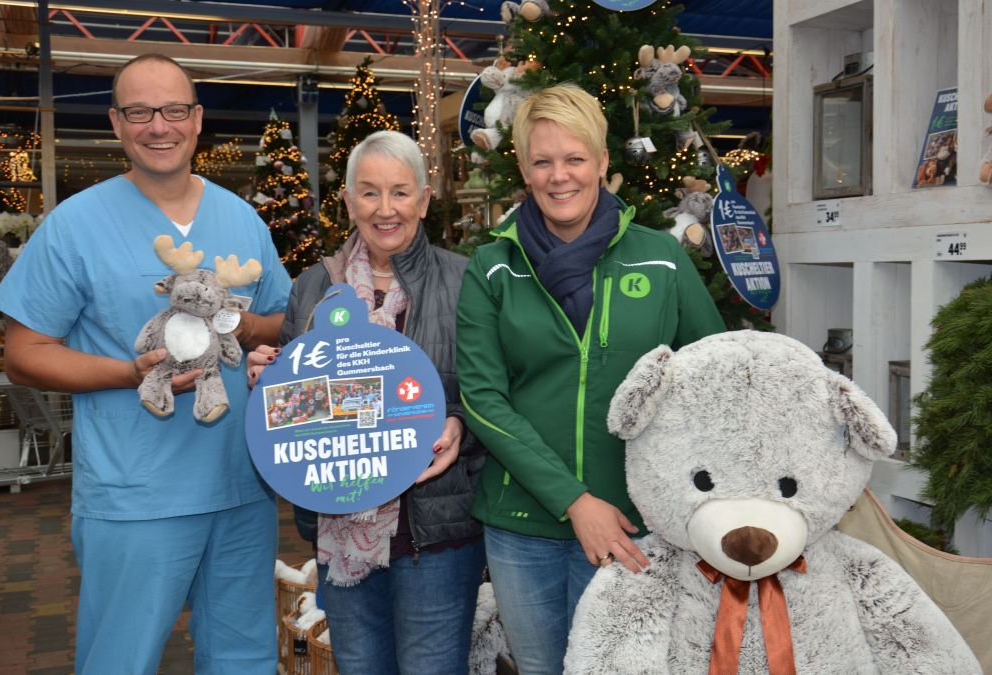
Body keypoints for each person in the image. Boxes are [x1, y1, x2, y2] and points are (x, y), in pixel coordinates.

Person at [0, 54, 292, 673]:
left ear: (198, 119)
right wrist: (129, 372)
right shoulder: (74, 225)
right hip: (138, 494)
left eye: (175, 109)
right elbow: (23, 354)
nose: (160, 125)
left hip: (243, 486)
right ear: (116, 122)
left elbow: (280, 320)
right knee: (119, 659)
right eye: (140, 112)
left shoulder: (241, 218)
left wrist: (239, 328)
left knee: (247, 659)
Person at [455, 83, 726, 674]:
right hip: (521, 524)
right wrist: (575, 501)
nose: (560, 177)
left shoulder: (660, 259)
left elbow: (712, 380)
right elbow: (482, 398)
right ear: (524, 170)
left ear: (603, 162)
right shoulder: (493, 266)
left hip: (634, 524)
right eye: (543, 161)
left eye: (575, 158)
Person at [247, 130, 486, 675]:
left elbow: (493, 389)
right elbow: (299, 404)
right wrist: (270, 385)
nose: (385, 209)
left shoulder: (464, 280)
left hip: (435, 534)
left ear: (424, 201)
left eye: (400, 193)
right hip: (339, 532)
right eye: (370, 192)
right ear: (349, 200)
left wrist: (460, 423)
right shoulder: (311, 287)